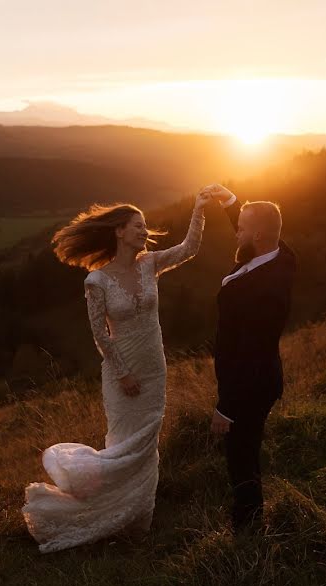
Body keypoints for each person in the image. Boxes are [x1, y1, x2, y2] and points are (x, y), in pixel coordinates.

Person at [22, 193, 211, 553]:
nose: (145, 231)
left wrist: (199, 211)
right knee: (123, 445)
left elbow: (189, 249)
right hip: (121, 373)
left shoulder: (151, 263)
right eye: (137, 226)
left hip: (154, 368)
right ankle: (105, 513)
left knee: (147, 446)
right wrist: (123, 374)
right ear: (120, 232)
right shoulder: (97, 280)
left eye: (144, 226)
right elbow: (99, 335)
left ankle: (139, 519)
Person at [200, 183, 296, 534]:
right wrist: (231, 202)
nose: (235, 230)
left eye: (240, 225)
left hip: (251, 384)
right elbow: (254, 230)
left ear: (256, 233)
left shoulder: (263, 289)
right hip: (256, 379)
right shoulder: (281, 256)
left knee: (240, 453)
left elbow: (251, 352)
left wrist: (227, 406)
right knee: (246, 448)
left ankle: (248, 526)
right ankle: (250, 515)